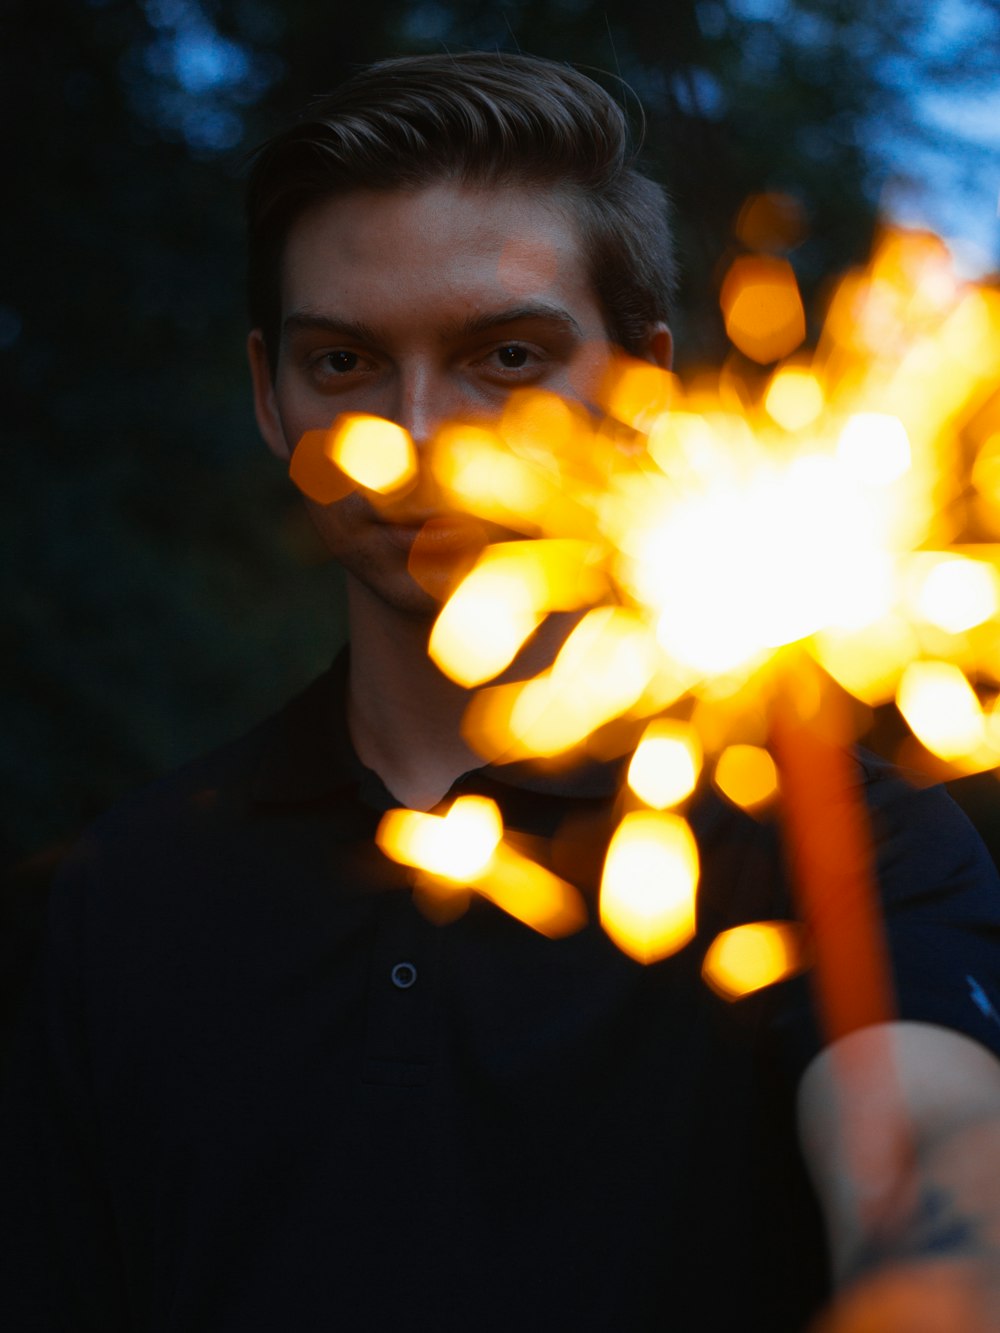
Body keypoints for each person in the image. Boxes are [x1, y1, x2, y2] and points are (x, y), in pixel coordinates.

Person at [3, 51, 1000, 1332]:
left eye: (506, 354)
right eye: (347, 365)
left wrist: (936, 1279)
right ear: (267, 394)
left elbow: (930, 1135)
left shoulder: (834, 839)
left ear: (638, 379)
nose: (416, 438)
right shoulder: (128, 891)